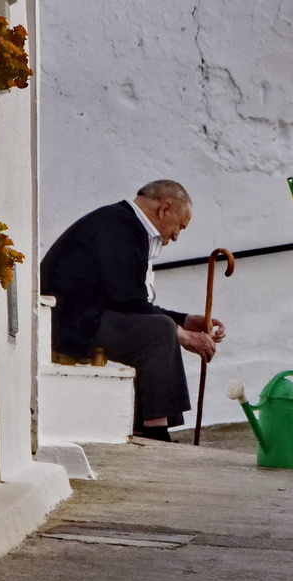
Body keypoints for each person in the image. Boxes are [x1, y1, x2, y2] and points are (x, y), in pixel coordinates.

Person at [40, 180, 225, 441]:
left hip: (83, 320)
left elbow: (130, 300)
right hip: (70, 326)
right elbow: (129, 302)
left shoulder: (122, 222)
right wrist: (181, 333)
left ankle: (147, 424)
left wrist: (185, 320)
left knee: (162, 327)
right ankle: (154, 431)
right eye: (179, 227)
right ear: (165, 209)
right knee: (160, 331)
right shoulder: (120, 225)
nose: (175, 236)